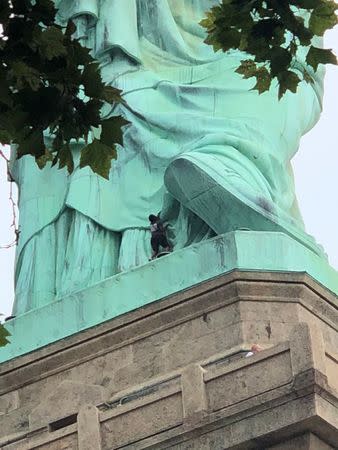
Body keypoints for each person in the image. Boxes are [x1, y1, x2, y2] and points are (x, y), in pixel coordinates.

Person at [11, 0, 325, 315]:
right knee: (108, 96)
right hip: (132, 40)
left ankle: (236, 163)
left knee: (275, 77)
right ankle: (219, 175)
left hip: (229, 28)